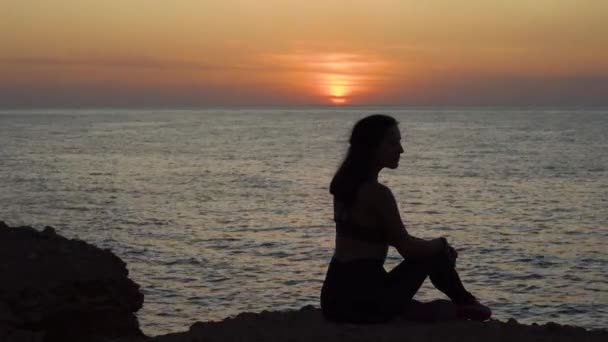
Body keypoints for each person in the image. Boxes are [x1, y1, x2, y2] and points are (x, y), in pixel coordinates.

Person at [320, 114, 491, 324]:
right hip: (364, 301)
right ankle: (465, 301)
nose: (400, 149)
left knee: (428, 278)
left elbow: (390, 237)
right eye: (393, 142)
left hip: (333, 301)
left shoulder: (343, 185)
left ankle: (449, 306)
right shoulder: (378, 193)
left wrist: (431, 245)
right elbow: (407, 248)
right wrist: (441, 245)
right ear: (372, 147)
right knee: (435, 255)